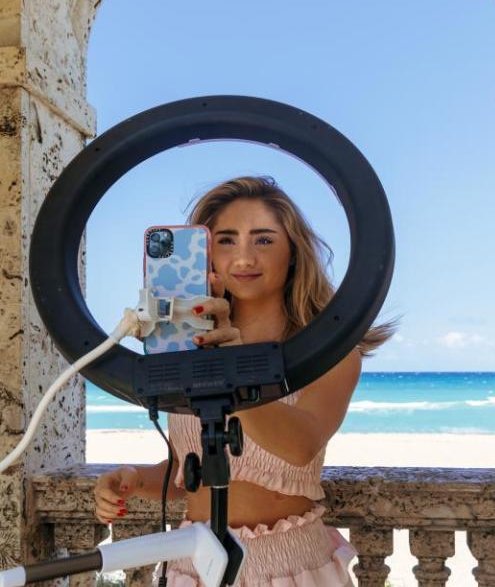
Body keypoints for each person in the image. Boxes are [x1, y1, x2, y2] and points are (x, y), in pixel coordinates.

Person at [94, 176, 396, 586]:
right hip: (194, 563)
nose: (244, 258)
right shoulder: (188, 348)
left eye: (264, 240)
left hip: (288, 567)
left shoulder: (329, 352)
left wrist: (228, 368)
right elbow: (191, 468)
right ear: (208, 255)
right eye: (227, 240)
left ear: (293, 252)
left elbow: (300, 445)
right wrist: (132, 479)